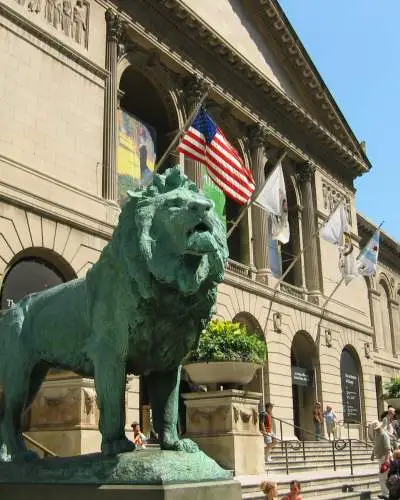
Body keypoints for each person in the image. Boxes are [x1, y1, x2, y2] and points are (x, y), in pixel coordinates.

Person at [370, 420, 392, 498]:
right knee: (382, 477)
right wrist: (372, 454)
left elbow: (388, 448)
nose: (376, 430)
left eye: (377, 429)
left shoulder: (384, 435)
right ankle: (385, 493)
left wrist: (386, 459)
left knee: (382, 477)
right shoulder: (377, 435)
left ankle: (386, 494)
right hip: (380, 458)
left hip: (385, 458)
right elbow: (375, 445)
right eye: (375, 429)